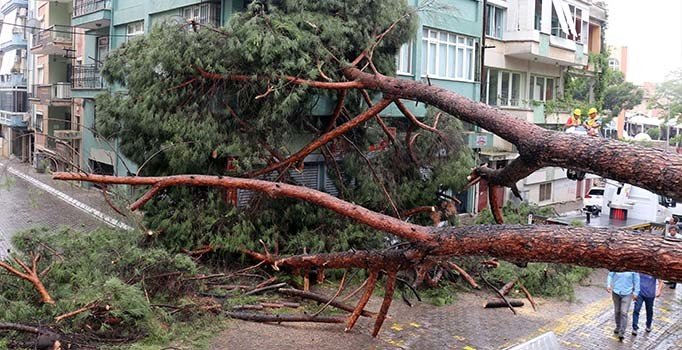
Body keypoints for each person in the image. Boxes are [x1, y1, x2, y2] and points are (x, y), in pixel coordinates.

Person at [606, 271, 640, 341]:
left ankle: (622, 332)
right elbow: (610, 275)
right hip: (616, 292)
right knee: (617, 311)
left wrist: (636, 292)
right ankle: (618, 326)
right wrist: (608, 285)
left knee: (624, 312)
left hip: (627, 293)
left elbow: (637, 281)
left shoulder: (633, 268)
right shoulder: (618, 265)